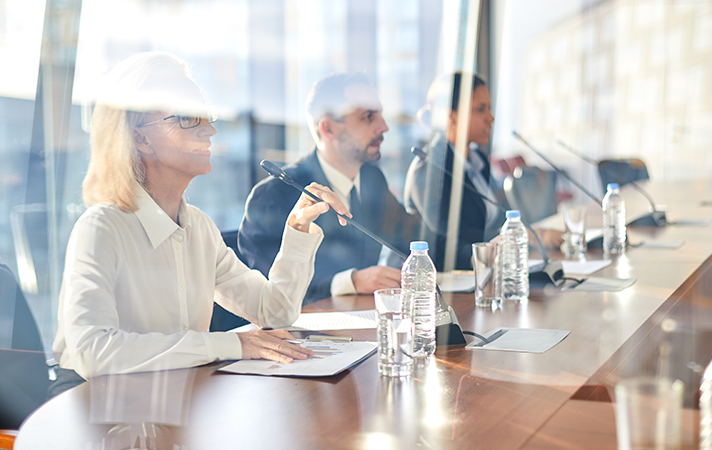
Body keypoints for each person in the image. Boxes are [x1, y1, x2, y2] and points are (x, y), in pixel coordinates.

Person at [51, 52, 351, 395]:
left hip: (170, 398)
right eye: (188, 119)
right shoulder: (101, 228)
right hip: (90, 408)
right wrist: (227, 345)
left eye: (207, 116)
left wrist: (297, 228)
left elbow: (275, 312)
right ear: (140, 138)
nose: (210, 129)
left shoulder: (199, 228)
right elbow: (92, 352)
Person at [238, 72, 419, 304]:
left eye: (380, 115)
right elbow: (268, 289)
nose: (383, 127)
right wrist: (349, 282)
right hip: (303, 334)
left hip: (363, 323)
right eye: (368, 117)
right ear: (328, 129)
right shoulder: (274, 195)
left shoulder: (372, 178)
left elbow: (409, 236)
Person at [405, 72, 561, 270]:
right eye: (480, 109)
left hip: (487, 273)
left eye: (489, 108)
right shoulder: (428, 169)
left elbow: (492, 224)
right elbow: (447, 250)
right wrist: (498, 246)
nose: (491, 118)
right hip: (448, 285)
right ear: (451, 117)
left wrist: (534, 235)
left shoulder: (478, 162)